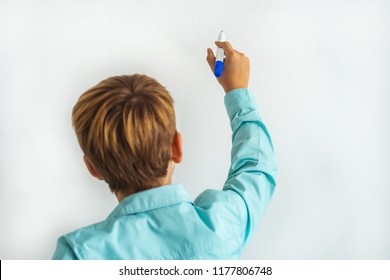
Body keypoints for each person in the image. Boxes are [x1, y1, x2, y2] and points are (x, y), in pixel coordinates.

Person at [52, 41, 277, 259]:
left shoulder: (81, 254)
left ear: (92, 167)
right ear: (177, 147)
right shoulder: (224, 225)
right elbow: (256, 169)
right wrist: (237, 91)